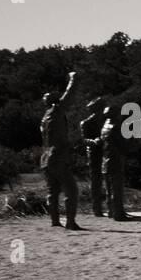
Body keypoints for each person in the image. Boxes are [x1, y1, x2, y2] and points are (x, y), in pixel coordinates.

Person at [40, 71, 82, 230]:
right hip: (57, 157)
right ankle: (70, 222)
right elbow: (70, 94)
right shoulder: (56, 111)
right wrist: (73, 78)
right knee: (71, 190)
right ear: (54, 101)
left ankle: (55, 221)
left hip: (45, 158)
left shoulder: (44, 118)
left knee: (53, 191)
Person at [100, 104, 130, 221]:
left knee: (109, 188)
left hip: (106, 160)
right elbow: (123, 146)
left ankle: (111, 211)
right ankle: (119, 214)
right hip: (115, 160)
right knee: (117, 189)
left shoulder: (105, 126)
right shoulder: (116, 127)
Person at [80, 97, 105, 216]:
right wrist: (94, 141)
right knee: (96, 181)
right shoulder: (86, 123)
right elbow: (84, 140)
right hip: (94, 153)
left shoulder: (106, 120)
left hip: (106, 152)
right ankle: (97, 208)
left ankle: (111, 207)